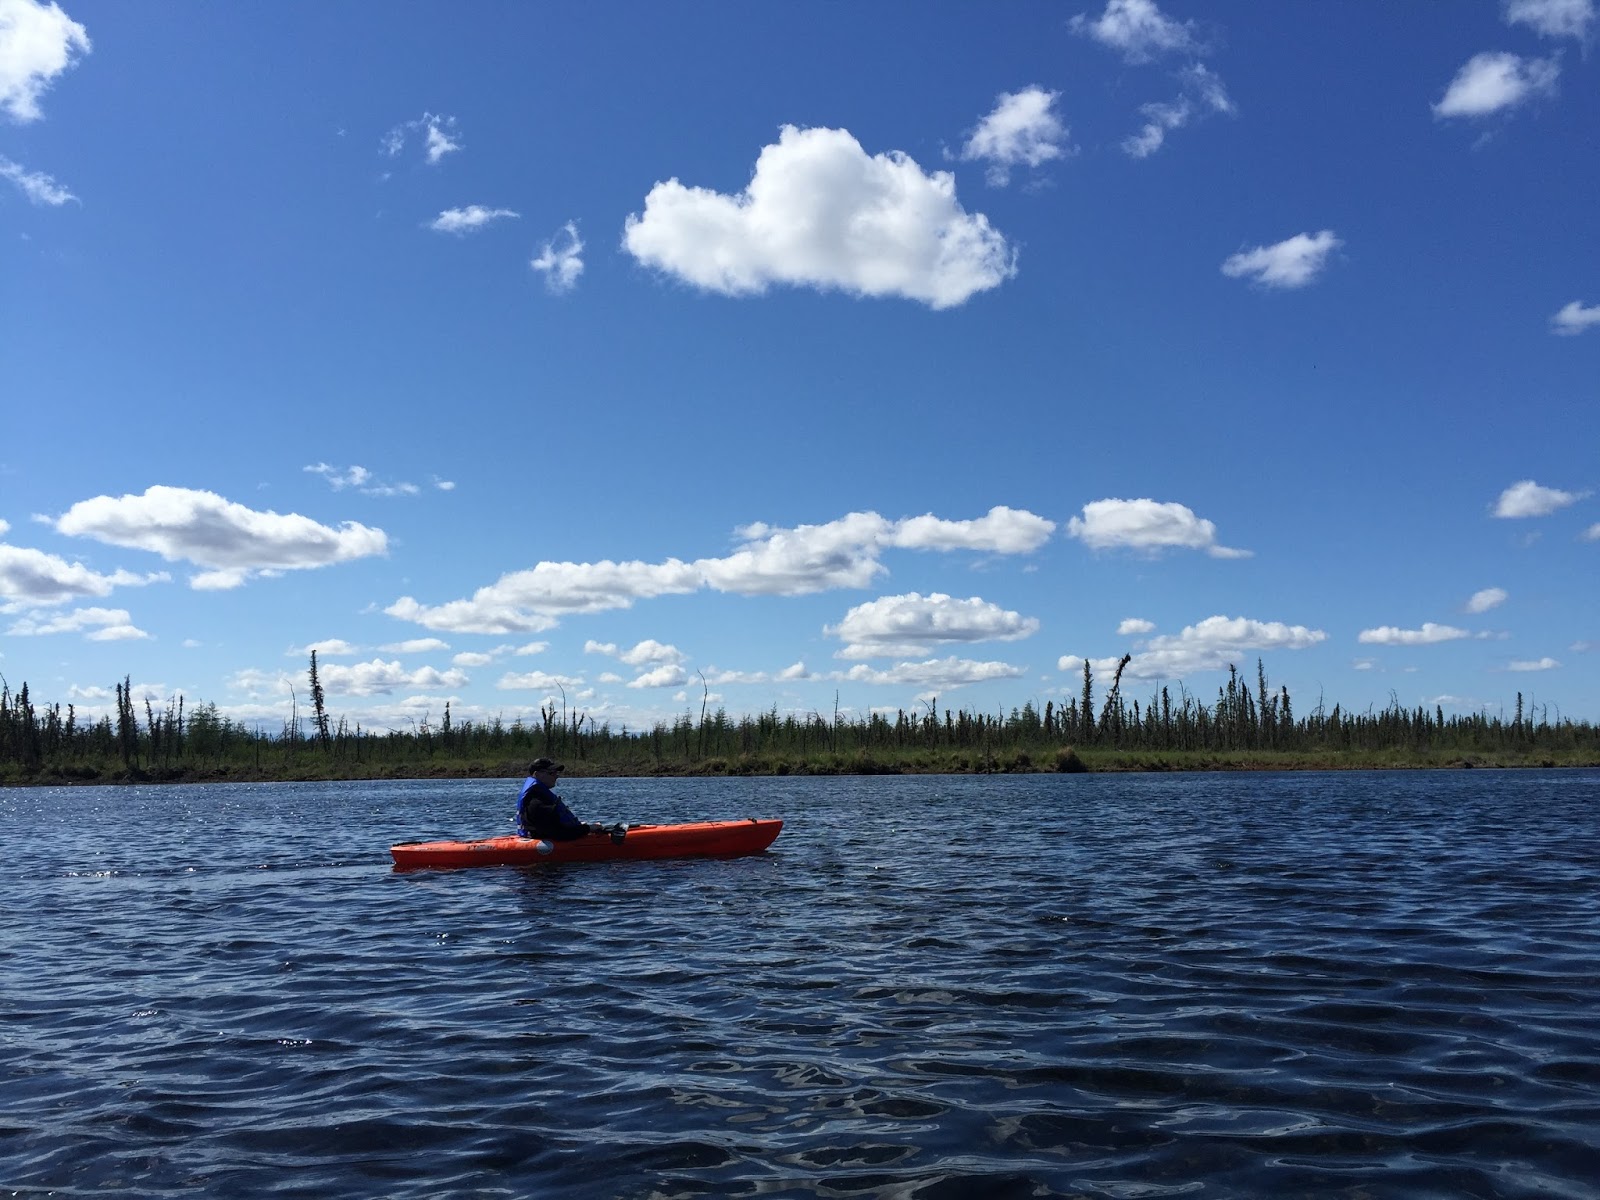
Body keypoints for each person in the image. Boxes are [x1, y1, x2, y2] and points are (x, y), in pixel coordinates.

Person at [515, 758, 624, 842]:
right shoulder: (536, 803)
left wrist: (580, 827)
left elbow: (556, 828)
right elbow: (560, 834)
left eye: (557, 773)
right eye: (551, 773)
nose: (556, 776)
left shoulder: (539, 798)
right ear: (537, 775)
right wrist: (587, 829)